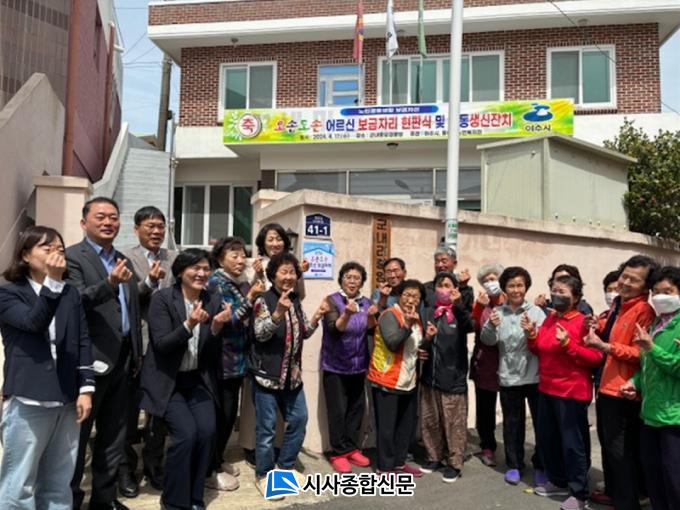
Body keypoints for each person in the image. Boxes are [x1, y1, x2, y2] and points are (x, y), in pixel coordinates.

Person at [0, 226, 95, 510]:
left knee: (58, 481)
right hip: (29, 399)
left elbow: (82, 340)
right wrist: (53, 282)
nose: (56, 253)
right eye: (47, 248)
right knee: (19, 483)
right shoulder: (8, 293)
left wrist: (86, 387)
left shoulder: (70, 293)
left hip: (67, 398)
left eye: (60, 249)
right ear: (25, 255)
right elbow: (33, 322)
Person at [139, 249, 232, 510]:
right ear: (180, 272)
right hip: (169, 382)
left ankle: (194, 498)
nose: (201, 273)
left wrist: (216, 328)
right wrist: (188, 325)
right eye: (195, 268)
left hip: (197, 380)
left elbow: (210, 351)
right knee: (186, 435)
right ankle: (174, 503)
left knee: (207, 432)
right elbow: (161, 344)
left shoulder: (212, 299)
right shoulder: (162, 299)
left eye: (206, 269)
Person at [67, 197, 142, 510]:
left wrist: (137, 353)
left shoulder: (123, 259)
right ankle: (70, 500)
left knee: (114, 435)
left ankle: (104, 499)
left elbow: (131, 309)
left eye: (113, 216)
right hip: (89, 360)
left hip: (124, 359)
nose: (108, 222)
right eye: (101, 217)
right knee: (78, 438)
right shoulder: (73, 257)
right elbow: (75, 301)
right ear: (84, 222)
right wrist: (109, 283)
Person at [250, 252, 328, 499]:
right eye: (283, 272)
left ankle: (284, 468)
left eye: (292, 272)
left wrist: (317, 316)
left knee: (299, 420)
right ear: (273, 275)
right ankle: (264, 475)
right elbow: (259, 334)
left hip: (292, 378)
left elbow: (303, 331)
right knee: (267, 430)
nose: (288, 276)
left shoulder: (295, 299)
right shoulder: (263, 300)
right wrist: (277, 314)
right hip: (267, 376)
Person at [585, 255, 658, 510]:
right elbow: (614, 333)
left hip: (624, 390)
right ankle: (619, 495)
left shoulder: (644, 311)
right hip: (608, 385)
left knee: (621, 451)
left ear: (646, 287)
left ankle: (627, 502)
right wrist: (598, 325)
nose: (625, 282)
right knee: (611, 447)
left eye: (634, 280)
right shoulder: (620, 305)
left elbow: (642, 353)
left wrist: (606, 347)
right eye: (624, 276)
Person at [527, 275, 604, 510]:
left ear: (576, 297)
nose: (556, 295)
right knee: (549, 440)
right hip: (547, 388)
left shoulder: (583, 322)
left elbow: (596, 358)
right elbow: (540, 350)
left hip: (572, 392)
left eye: (563, 292)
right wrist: (531, 335)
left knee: (573, 445)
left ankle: (579, 493)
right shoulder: (550, 319)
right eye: (554, 290)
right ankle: (558, 481)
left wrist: (568, 344)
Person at [119, 206, 178, 495]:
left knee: (159, 408)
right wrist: (150, 282)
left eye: (160, 226)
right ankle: (126, 468)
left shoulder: (174, 257)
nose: (156, 231)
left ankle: (154, 463)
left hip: (166, 345)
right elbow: (127, 298)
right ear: (136, 229)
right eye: (150, 226)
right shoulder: (124, 257)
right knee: (129, 410)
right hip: (136, 344)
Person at [242, 223, 308, 461]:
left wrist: (300, 274)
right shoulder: (254, 264)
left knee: (289, 413)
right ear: (262, 241)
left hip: (287, 351)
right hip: (263, 345)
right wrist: (257, 275)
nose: (275, 243)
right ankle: (255, 453)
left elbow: (300, 297)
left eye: (279, 238)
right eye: (270, 239)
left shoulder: (292, 267)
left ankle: (279, 455)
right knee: (261, 412)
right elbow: (250, 298)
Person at [207, 237, 265, 490]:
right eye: (234, 255)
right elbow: (230, 320)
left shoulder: (239, 281)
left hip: (239, 359)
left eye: (243, 255)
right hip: (222, 360)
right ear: (220, 260)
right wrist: (250, 296)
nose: (241, 260)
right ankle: (209, 469)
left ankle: (218, 459)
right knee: (220, 414)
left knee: (229, 415)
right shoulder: (216, 283)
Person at [620, 266, 680, 510]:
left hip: (673, 417)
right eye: (656, 291)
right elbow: (648, 365)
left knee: (674, 480)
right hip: (650, 413)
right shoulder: (657, 323)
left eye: (668, 291)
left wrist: (652, 348)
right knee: (655, 478)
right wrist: (634, 382)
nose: (660, 296)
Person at [480, 266, 546, 486]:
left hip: (534, 376)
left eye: (520, 285)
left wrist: (532, 333)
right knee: (512, 424)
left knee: (541, 424)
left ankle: (541, 465)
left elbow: (544, 344)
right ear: (504, 288)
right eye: (511, 286)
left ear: (526, 287)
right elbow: (488, 340)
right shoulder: (498, 312)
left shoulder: (536, 312)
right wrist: (491, 326)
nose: (516, 290)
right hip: (508, 377)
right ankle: (514, 465)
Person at [320, 261, 377, 473]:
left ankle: (352, 448)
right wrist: (347, 314)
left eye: (357, 278)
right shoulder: (332, 300)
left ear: (362, 282)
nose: (352, 281)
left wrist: (371, 316)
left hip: (358, 365)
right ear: (341, 280)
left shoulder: (366, 302)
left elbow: (370, 330)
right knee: (337, 410)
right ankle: (338, 453)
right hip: (335, 365)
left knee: (356, 409)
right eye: (348, 277)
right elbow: (334, 329)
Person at [419, 272, 474, 482]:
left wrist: (458, 305)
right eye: (440, 285)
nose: (444, 289)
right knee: (430, 420)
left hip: (453, 378)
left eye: (448, 285)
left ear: (455, 289)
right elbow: (420, 339)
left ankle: (455, 463)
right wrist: (423, 345)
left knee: (454, 424)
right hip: (429, 377)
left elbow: (470, 326)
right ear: (434, 290)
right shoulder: (427, 312)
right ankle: (434, 457)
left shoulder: (460, 312)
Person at [367, 279, 425, 477]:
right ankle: (385, 467)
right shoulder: (389, 315)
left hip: (408, 380)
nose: (411, 300)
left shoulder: (416, 318)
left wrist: (426, 343)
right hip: (387, 379)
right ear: (399, 296)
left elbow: (413, 346)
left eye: (415, 297)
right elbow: (393, 343)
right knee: (387, 427)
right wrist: (407, 324)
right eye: (407, 295)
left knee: (405, 426)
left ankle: (399, 463)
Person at [470, 263, 505, 467]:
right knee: (485, 410)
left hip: (508, 364)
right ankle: (487, 446)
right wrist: (478, 307)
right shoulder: (480, 305)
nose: (490, 283)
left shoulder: (510, 303)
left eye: (493, 279)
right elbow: (471, 325)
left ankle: (513, 450)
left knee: (511, 410)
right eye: (485, 281)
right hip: (484, 363)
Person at [423, 245, 473, 311]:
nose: (440, 265)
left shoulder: (464, 289)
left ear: (454, 264)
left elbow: (467, 313)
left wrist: (463, 287)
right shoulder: (425, 288)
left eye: (444, 261)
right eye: (437, 262)